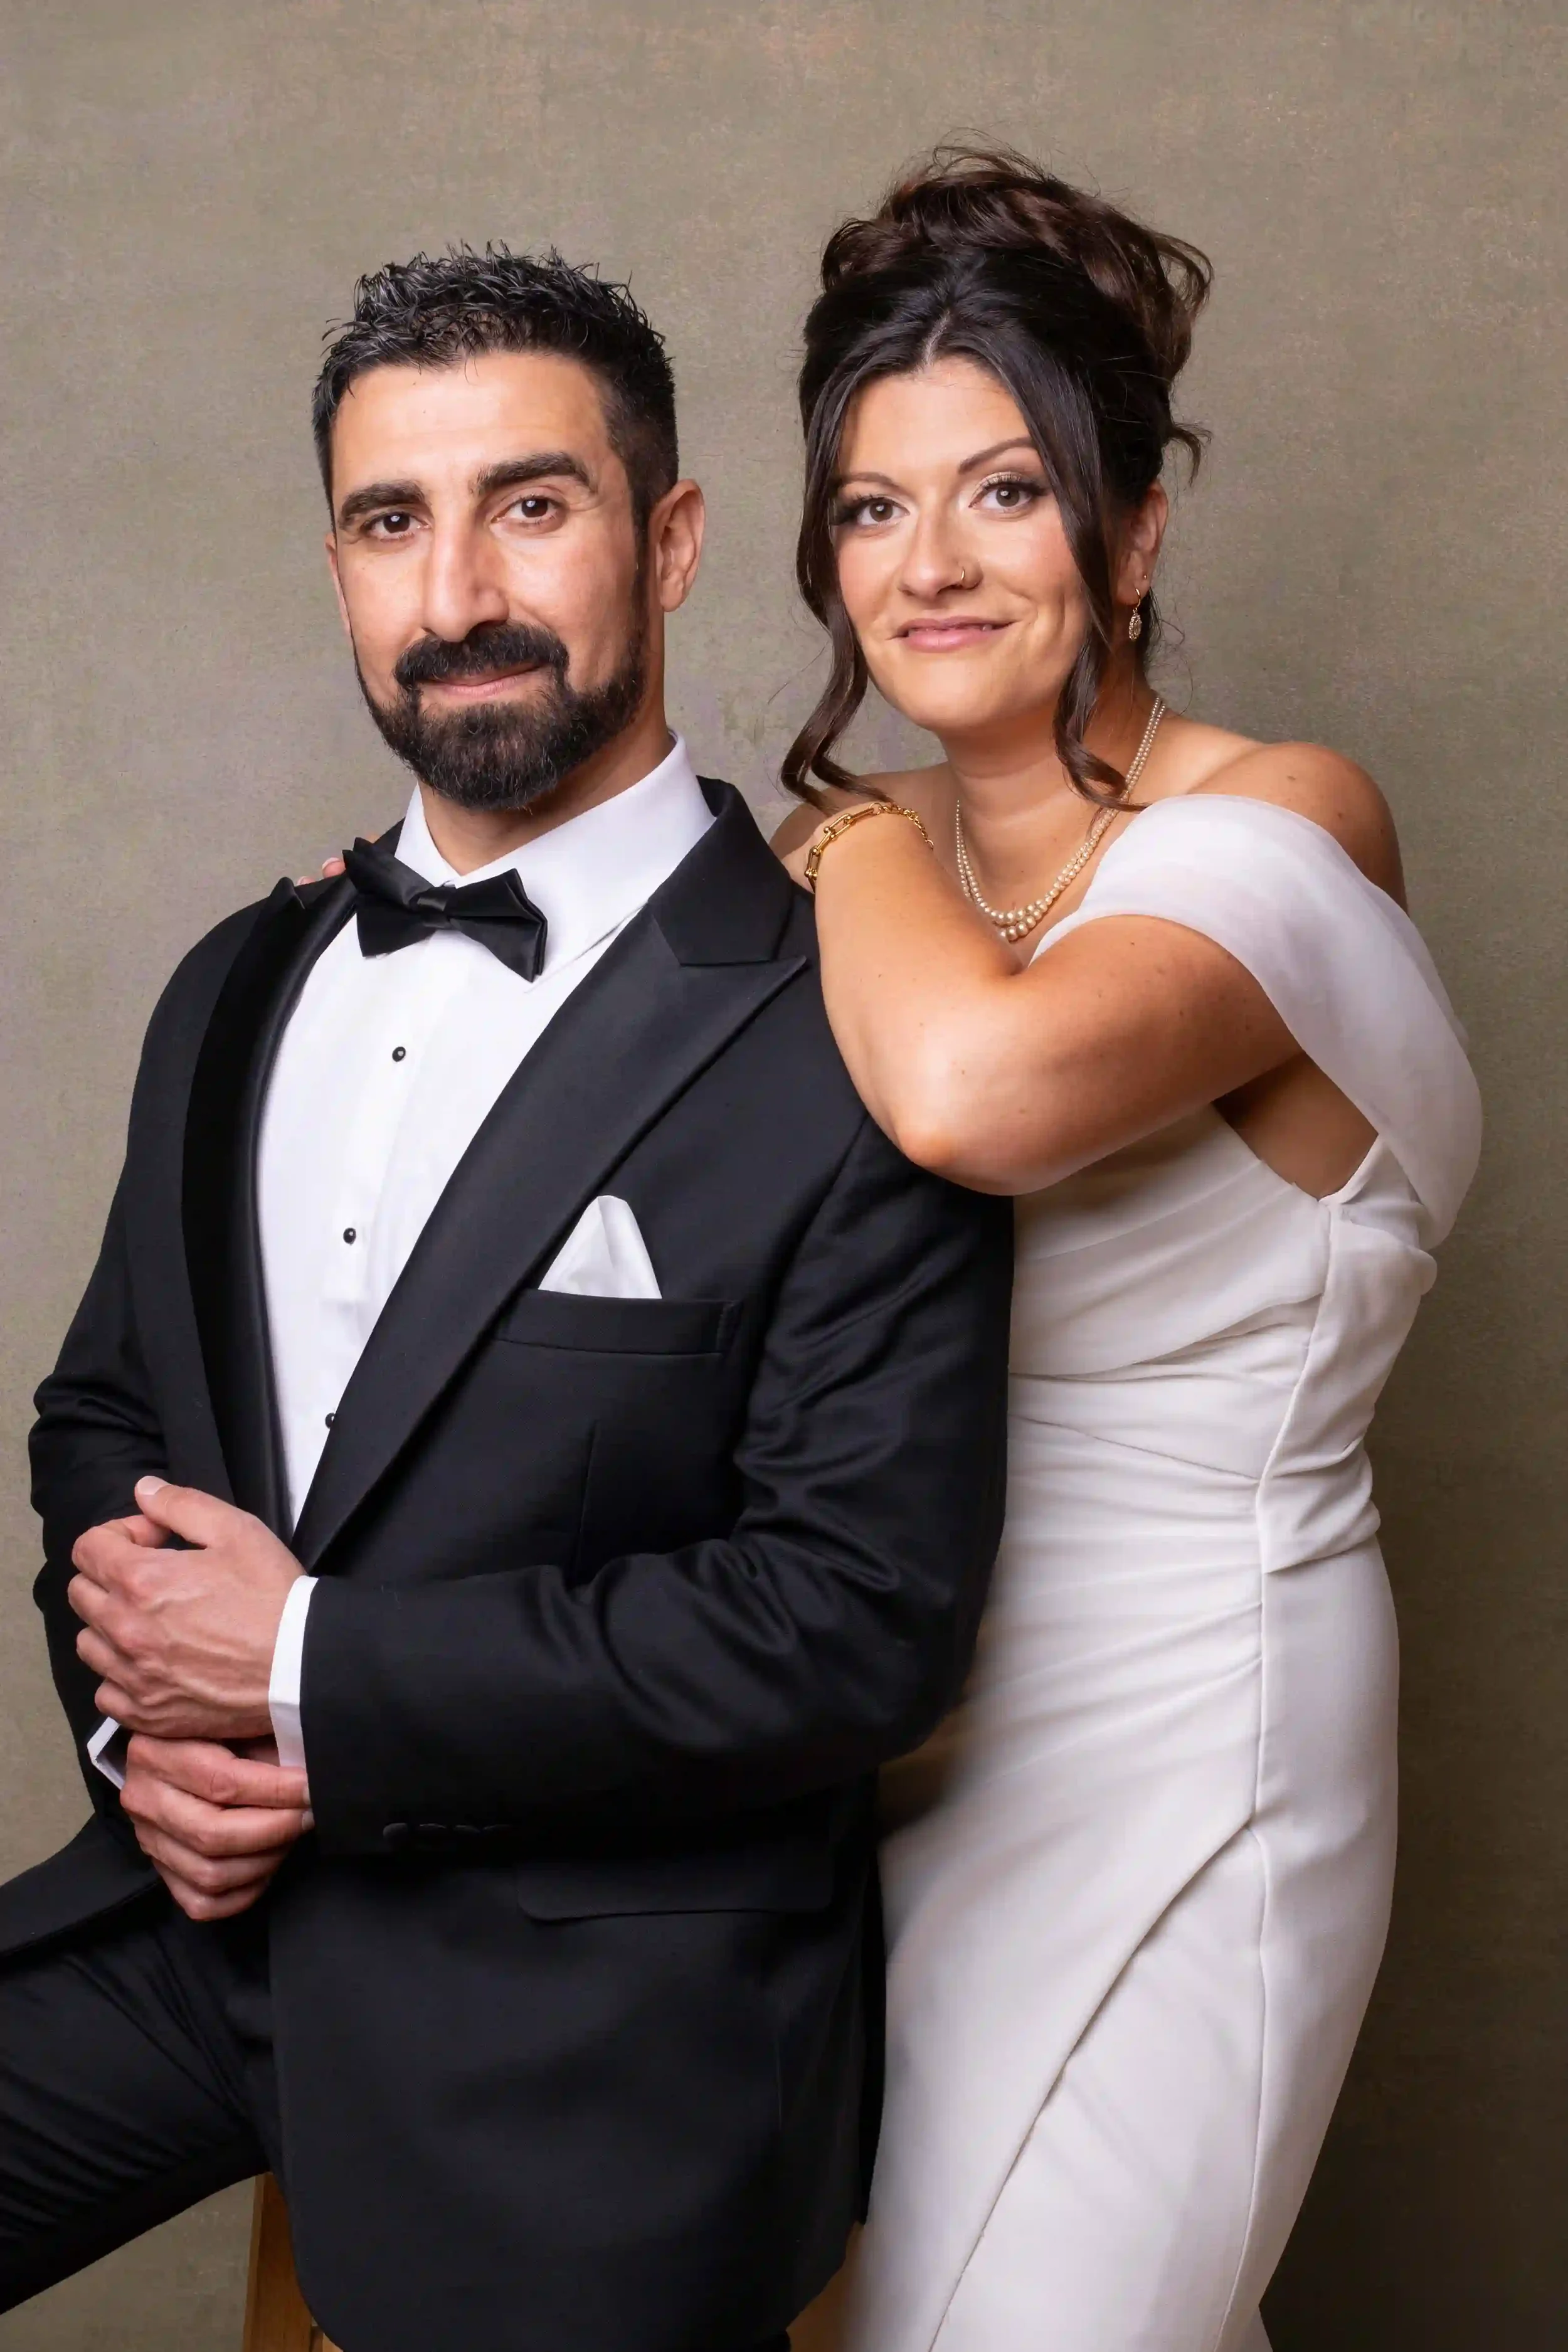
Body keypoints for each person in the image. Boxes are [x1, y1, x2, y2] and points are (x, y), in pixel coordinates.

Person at [0, 246, 1015, 2352]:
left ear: (669, 538)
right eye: (392, 520)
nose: (453, 584)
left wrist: (305, 1670)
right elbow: (101, 1413)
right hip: (201, 1918)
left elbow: (855, 1617)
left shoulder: (853, 1022)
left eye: (527, 505)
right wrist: (147, 1736)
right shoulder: (238, 977)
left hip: (589, 2009)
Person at [773, 150, 1482, 2352]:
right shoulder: (856, 901)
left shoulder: (1287, 823)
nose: (928, 563)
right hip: (884, 1732)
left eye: (1000, 491)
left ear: (1136, 527)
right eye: (874, 509)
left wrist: (834, 830)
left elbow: (976, 1099)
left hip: (1202, 1722)